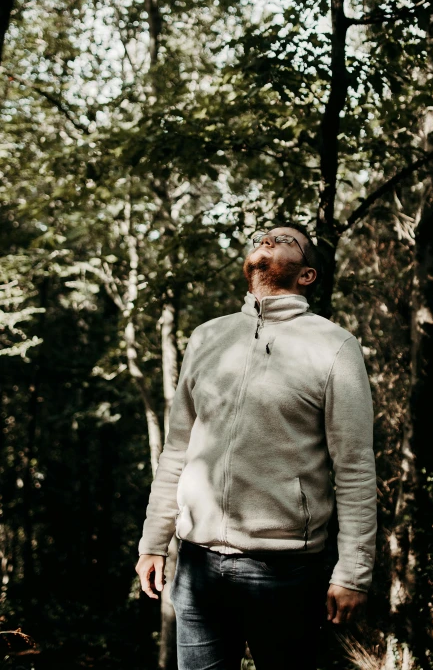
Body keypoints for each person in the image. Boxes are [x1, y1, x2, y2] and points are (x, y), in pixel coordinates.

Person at [136, 223, 377, 670]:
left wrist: (353, 572)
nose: (266, 239)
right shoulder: (207, 337)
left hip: (287, 573)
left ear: (306, 274)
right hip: (198, 568)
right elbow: (177, 450)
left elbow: (356, 467)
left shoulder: (334, 346)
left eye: (284, 240)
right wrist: (154, 541)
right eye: (262, 236)